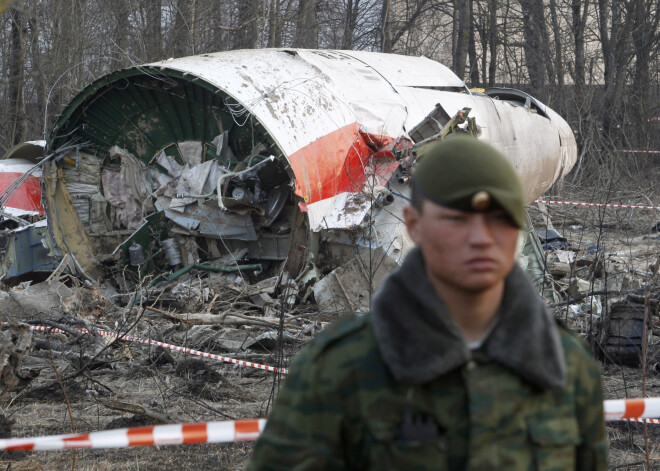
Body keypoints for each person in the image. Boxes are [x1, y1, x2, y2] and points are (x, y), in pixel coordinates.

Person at [248, 135, 608, 470]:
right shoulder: (343, 369)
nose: (481, 238)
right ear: (415, 224)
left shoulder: (566, 365)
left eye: (498, 218)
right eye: (457, 219)